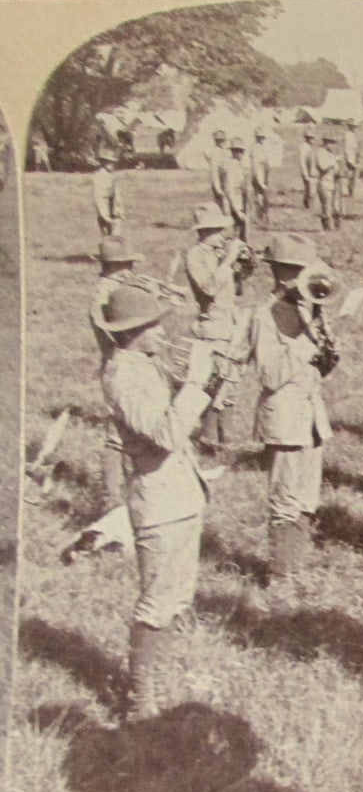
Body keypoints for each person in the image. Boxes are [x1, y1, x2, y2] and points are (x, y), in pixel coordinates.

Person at [98, 283, 224, 719]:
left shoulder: (144, 364)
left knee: (175, 597)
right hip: (158, 504)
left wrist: (211, 384)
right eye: (154, 325)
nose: (161, 331)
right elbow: (167, 434)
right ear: (133, 331)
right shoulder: (121, 376)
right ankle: (140, 699)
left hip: (180, 496)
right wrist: (195, 382)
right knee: (155, 603)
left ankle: (156, 681)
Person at [234, 234, 338, 603]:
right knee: (285, 499)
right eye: (298, 272)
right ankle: (281, 576)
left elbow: (318, 369)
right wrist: (302, 346)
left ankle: (296, 567)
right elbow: (270, 375)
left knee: (307, 497)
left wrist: (325, 350)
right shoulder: (266, 315)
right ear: (281, 274)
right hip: (284, 417)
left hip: (309, 416)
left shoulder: (307, 310)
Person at [184, 203, 252, 457]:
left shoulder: (218, 253)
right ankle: (209, 439)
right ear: (205, 231)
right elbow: (209, 288)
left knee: (230, 381)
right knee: (213, 383)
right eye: (218, 231)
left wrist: (242, 265)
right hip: (211, 325)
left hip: (230, 323)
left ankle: (227, 439)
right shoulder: (195, 255)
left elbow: (237, 288)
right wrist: (229, 259)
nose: (223, 235)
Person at [89, 237, 144, 514]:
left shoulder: (113, 288)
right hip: (116, 363)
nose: (131, 270)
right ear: (114, 266)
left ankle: (125, 488)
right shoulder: (105, 294)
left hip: (123, 363)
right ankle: (112, 498)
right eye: (126, 265)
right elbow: (111, 332)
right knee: (116, 434)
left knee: (128, 429)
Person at [221, 136, 252, 243]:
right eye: (237, 151)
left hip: (239, 202)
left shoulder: (239, 166)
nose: (240, 154)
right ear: (233, 152)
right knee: (232, 232)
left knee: (241, 230)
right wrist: (237, 211)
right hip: (232, 203)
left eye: (241, 151)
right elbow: (229, 190)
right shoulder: (231, 166)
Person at [93, 147, 124, 236]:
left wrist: (119, 212)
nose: (112, 164)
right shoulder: (100, 176)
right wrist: (106, 217)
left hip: (114, 210)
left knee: (116, 237)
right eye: (109, 162)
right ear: (103, 163)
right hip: (105, 211)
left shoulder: (111, 175)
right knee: (108, 239)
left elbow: (116, 194)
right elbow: (99, 197)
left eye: (113, 162)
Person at [315, 133, 342, 231]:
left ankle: (337, 226)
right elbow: (322, 166)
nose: (333, 145)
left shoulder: (331, 153)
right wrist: (334, 160)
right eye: (331, 143)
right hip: (324, 182)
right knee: (326, 206)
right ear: (326, 142)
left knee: (336, 206)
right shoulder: (320, 153)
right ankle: (327, 228)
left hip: (333, 182)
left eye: (334, 143)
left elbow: (337, 169)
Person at [250, 127, 272, 226]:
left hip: (264, 173)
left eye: (263, 137)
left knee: (264, 196)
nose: (262, 139)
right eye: (260, 137)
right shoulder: (255, 148)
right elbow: (255, 166)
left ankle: (264, 217)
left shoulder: (263, 147)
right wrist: (260, 182)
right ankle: (260, 217)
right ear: (257, 138)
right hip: (259, 174)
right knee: (260, 196)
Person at [205, 129, 228, 212]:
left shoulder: (224, 152)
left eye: (223, 141)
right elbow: (214, 172)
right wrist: (218, 188)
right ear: (216, 142)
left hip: (225, 180)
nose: (223, 143)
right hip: (219, 180)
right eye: (220, 141)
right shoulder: (215, 153)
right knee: (220, 204)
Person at [299, 128, 318, 210]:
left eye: (312, 138)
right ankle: (308, 206)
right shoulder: (303, 147)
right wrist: (305, 174)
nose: (312, 139)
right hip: (307, 172)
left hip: (312, 172)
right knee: (310, 191)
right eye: (310, 138)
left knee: (311, 190)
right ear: (306, 138)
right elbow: (302, 161)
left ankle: (309, 206)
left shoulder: (310, 147)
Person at [341, 118, 360, 199]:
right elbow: (347, 148)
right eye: (353, 126)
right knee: (348, 175)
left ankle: (350, 191)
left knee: (352, 176)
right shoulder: (348, 135)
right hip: (349, 158)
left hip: (353, 157)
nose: (355, 128)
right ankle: (346, 191)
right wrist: (350, 160)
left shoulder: (353, 135)